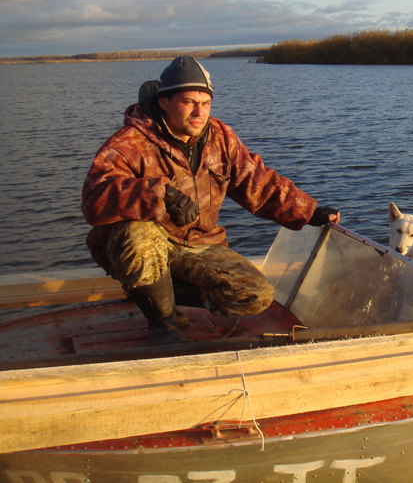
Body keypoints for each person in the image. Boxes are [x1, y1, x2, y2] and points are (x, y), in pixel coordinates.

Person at [82, 56, 340, 345]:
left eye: (205, 103)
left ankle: (156, 294)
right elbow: (94, 200)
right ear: (164, 102)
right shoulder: (129, 143)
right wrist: (158, 193)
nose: (199, 112)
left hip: (200, 245)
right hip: (151, 244)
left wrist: (309, 212)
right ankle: (162, 322)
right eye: (189, 102)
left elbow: (257, 181)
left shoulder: (220, 137)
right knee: (136, 232)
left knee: (256, 295)